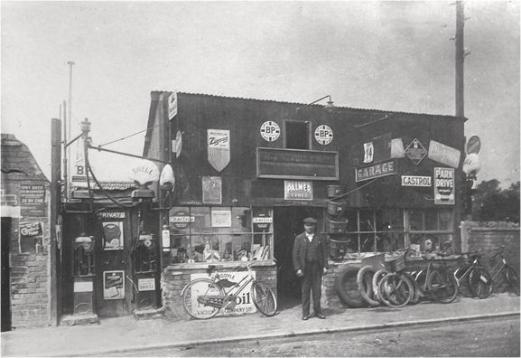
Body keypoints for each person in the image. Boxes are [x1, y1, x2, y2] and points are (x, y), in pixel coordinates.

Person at [292, 217, 329, 320]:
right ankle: (305, 313)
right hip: (305, 268)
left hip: (317, 267)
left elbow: (324, 253)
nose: (309, 228)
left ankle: (318, 311)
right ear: (304, 226)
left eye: (311, 226)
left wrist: (325, 266)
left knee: (317, 291)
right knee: (305, 290)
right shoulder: (299, 238)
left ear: (314, 226)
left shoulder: (319, 238)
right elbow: (295, 255)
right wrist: (298, 268)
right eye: (307, 226)